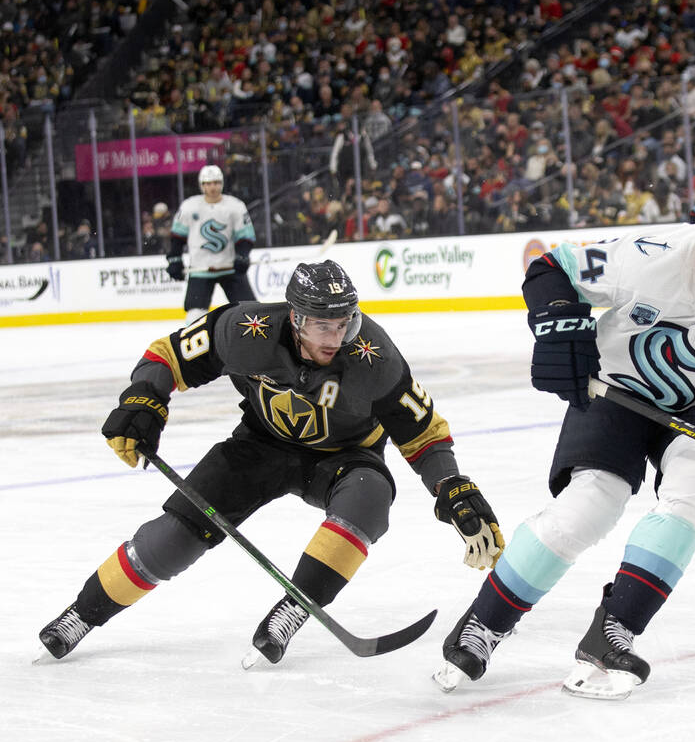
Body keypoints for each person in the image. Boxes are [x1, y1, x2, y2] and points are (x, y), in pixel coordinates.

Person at [433, 173, 695, 700]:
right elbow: (550, 270)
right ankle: (484, 624)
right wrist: (558, 325)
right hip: (618, 391)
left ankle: (613, 631)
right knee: (588, 507)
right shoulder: (646, 256)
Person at [38, 261, 504, 666]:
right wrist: (145, 398)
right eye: (324, 325)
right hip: (259, 445)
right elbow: (169, 354)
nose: (337, 336)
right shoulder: (247, 329)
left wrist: (453, 487)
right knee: (174, 538)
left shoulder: (372, 354)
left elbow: (421, 431)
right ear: (297, 318)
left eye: (345, 323)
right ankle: (81, 614)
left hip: (345, 456)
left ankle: (294, 608)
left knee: (370, 499)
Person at [167, 165, 258, 324]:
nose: (212, 187)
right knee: (194, 317)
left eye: (216, 182)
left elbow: (245, 236)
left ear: (222, 183)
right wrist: (174, 259)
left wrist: (242, 255)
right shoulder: (189, 206)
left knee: (252, 313)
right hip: (200, 269)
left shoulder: (235, 206)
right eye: (208, 183)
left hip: (229, 267)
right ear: (202, 185)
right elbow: (177, 237)